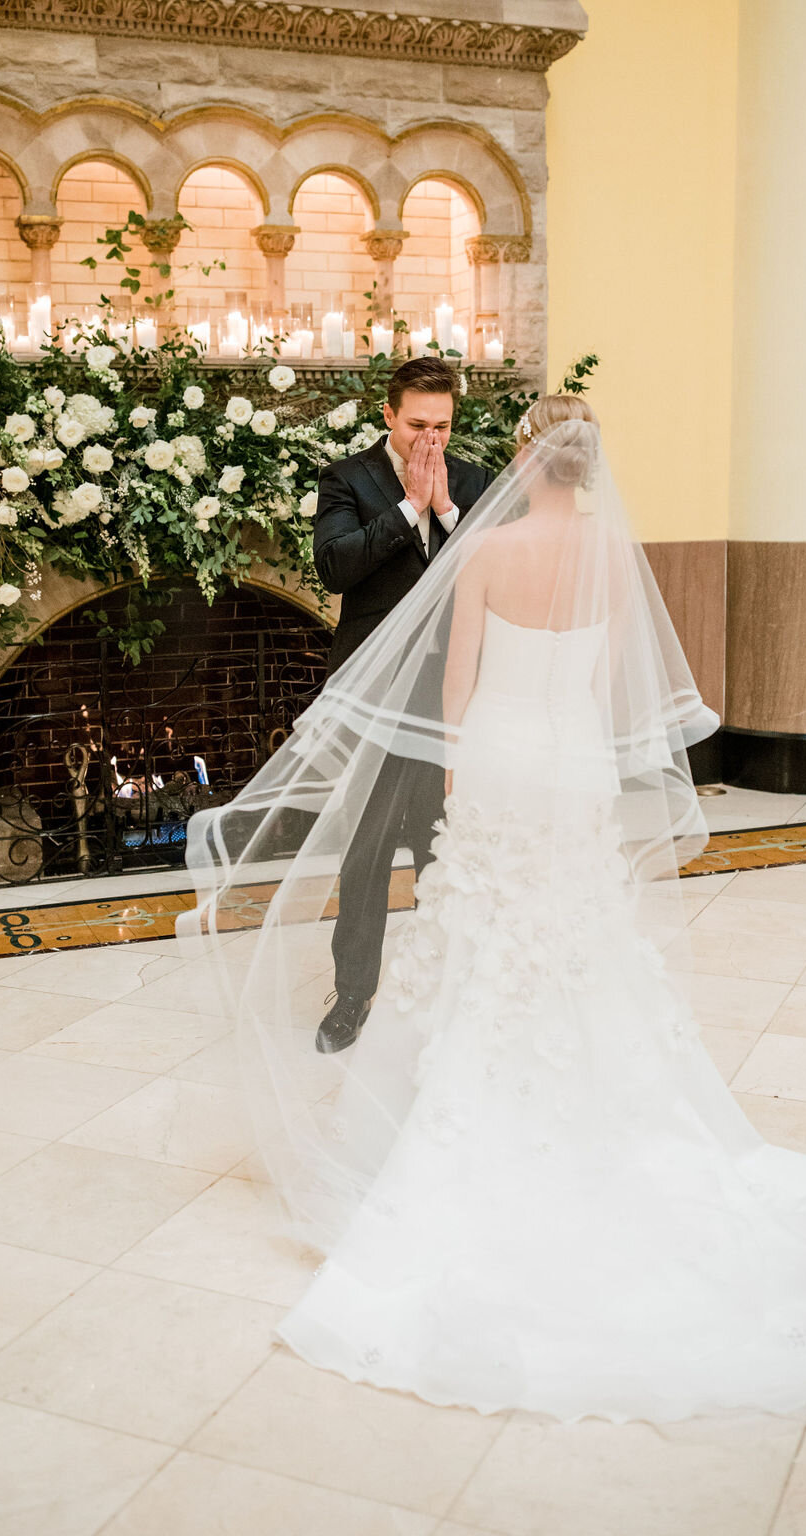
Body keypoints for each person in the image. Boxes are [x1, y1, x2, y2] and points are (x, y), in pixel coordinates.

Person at [183, 397, 806, 1424]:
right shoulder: (613, 557)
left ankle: (458, 1108)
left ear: (527, 463)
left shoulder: (488, 552)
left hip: (501, 756)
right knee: (579, 931)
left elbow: (456, 687)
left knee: (483, 928)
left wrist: (457, 781)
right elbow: (609, 683)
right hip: (575, 762)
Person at [312, 356, 492, 1054]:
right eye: (417, 425)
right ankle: (353, 994)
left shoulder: (472, 481)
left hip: (453, 693)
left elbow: (493, 568)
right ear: (388, 415)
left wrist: (444, 508)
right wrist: (409, 508)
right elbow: (335, 567)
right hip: (376, 696)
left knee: (443, 845)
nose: (430, 439)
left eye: (442, 426)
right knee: (368, 849)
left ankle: (439, 990)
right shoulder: (347, 479)